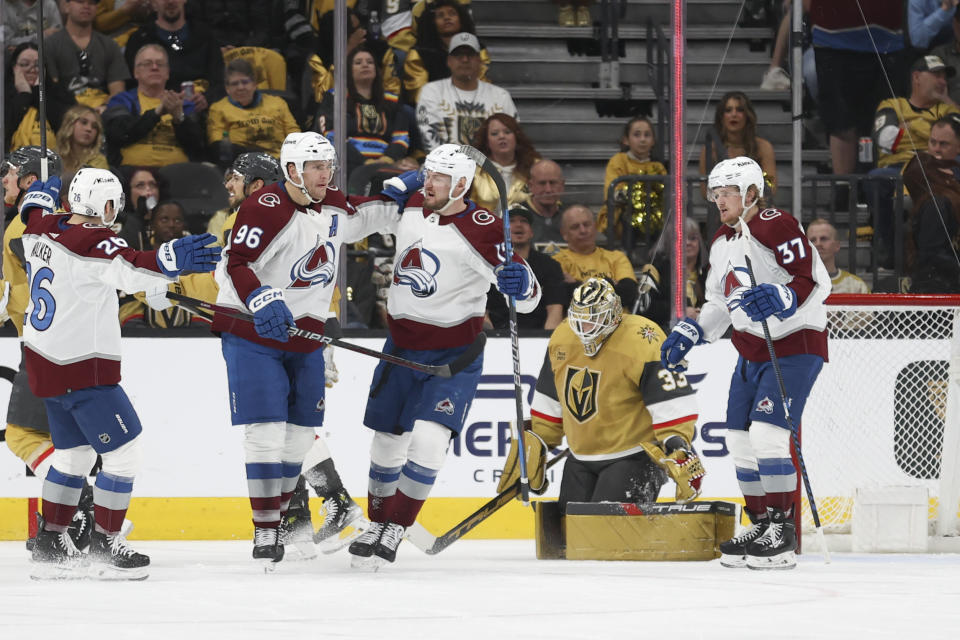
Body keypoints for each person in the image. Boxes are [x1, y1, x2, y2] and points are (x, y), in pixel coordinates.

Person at [346, 143, 542, 569]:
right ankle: (376, 522)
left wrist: (519, 284)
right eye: (426, 173)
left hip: (453, 355)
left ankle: (396, 527)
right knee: (385, 442)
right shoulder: (410, 205)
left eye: (436, 176)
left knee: (430, 441)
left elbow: (527, 298)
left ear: (460, 185)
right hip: (400, 347)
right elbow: (348, 224)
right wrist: (393, 189)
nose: (426, 182)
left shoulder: (484, 227)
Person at [22, 167, 221, 580]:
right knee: (124, 452)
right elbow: (131, 267)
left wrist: (35, 198)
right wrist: (170, 260)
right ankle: (103, 548)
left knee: (73, 455)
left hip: (44, 362)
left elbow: (32, 214)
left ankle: (49, 542)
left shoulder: (40, 229)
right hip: (83, 369)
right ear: (107, 205)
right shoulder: (94, 241)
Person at [211, 131, 396, 564]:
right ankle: (267, 529)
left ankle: (296, 519)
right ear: (292, 170)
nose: (325, 173)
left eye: (328, 165)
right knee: (264, 432)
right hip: (254, 333)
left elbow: (364, 217)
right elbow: (237, 265)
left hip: (306, 336)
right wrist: (259, 298)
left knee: (296, 439)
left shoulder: (330, 205)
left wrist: (409, 195)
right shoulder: (265, 207)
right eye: (316, 166)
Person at [661, 156, 831, 571]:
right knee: (738, 438)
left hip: (794, 346)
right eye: (715, 194)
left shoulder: (776, 224)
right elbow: (720, 301)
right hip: (751, 350)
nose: (719, 201)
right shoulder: (721, 242)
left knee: (769, 436)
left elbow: (814, 280)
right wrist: (695, 331)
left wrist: (783, 297)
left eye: (727, 193)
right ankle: (760, 522)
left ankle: (782, 531)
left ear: (751, 193)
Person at [498, 277, 702, 512]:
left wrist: (677, 443)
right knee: (568, 538)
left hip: (633, 456)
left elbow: (669, 398)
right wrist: (539, 441)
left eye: (593, 320)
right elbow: (550, 396)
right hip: (580, 457)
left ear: (613, 314)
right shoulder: (563, 336)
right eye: (580, 320)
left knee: (606, 535)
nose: (585, 329)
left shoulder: (644, 337)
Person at [871, 54, 959, 265]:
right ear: (917, 77)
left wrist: (909, 127)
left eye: (944, 77)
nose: (942, 82)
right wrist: (932, 128)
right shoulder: (893, 105)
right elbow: (886, 139)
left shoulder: (948, 109)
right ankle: (890, 250)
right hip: (897, 168)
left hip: (938, 167)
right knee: (876, 179)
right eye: (936, 75)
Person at [810, 0, 909, 179]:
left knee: (883, 121)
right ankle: (843, 186)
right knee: (841, 124)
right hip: (833, 41)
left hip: (887, 43)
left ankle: (879, 187)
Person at [313, 45, 416, 191]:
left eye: (370, 62)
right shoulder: (335, 97)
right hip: (347, 166)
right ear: (349, 70)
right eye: (358, 62)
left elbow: (401, 137)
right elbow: (331, 135)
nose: (365, 65)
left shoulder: (392, 101)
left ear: (377, 69)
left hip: (388, 166)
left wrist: (387, 160)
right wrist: (364, 162)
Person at [102, 44, 204, 167]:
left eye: (160, 64)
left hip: (178, 175)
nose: (154, 67)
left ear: (167, 73)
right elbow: (118, 133)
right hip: (131, 173)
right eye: (147, 63)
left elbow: (198, 147)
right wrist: (157, 113)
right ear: (136, 72)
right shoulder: (122, 100)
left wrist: (179, 118)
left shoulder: (184, 105)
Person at [416, 32, 517, 152]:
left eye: (470, 55)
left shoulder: (501, 96)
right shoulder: (432, 92)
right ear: (449, 61)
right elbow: (430, 140)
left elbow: (514, 137)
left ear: (479, 60)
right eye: (458, 55)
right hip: (444, 167)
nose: (465, 59)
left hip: (492, 167)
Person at [902, 115, 960, 291]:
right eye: (932, 142)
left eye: (944, 144)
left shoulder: (951, 186)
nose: (936, 149)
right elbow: (931, 255)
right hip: (936, 287)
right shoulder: (922, 173)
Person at [206, 58, 301, 165]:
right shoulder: (218, 109)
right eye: (234, 84)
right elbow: (217, 144)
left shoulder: (278, 103)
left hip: (281, 162)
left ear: (254, 84)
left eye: (245, 82)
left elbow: (294, 133)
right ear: (227, 88)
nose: (240, 87)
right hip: (243, 164)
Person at [123, 0, 223, 100]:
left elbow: (219, 80)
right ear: (153, 3)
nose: (170, 1)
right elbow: (131, 83)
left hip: (201, 107)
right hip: (155, 107)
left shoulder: (204, 35)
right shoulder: (139, 40)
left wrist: (206, 98)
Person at [486, 207, 565, 331]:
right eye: (511, 221)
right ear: (501, 231)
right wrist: (491, 339)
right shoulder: (488, 263)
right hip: (497, 335)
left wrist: (547, 342)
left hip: (539, 336)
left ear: (531, 232)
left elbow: (555, 309)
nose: (518, 225)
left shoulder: (550, 265)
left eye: (523, 221)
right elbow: (482, 313)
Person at [44, 0, 130, 110]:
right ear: (66, 6)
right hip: (65, 111)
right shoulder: (50, 45)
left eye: (92, 3)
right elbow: (52, 92)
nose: (86, 6)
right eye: (80, 1)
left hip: (104, 111)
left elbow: (118, 91)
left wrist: (104, 108)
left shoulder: (110, 45)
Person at [551, 204, 638, 311]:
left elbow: (628, 294)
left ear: (595, 226)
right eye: (575, 227)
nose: (583, 230)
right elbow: (562, 297)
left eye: (587, 224)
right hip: (576, 324)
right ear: (564, 233)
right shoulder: (556, 261)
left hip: (619, 323)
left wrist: (577, 284)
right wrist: (610, 285)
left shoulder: (617, 257)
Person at [401, 0, 490, 104]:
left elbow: (482, 85)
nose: (447, 18)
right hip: (433, 111)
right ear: (432, 22)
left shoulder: (476, 49)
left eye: (452, 13)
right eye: (440, 15)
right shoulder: (419, 54)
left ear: (461, 19)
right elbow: (420, 96)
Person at [599, 116, 667, 242]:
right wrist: (638, 194)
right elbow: (612, 194)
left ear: (653, 141)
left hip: (653, 216)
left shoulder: (657, 167)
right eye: (637, 135)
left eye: (647, 135)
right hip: (623, 216)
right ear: (626, 140)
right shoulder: (618, 160)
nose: (642, 139)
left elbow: (666, 194)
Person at [699, 91, 777, 200]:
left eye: (740, 110)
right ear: (721, 117)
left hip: (756, 208)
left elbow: (771, 188)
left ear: (747, 115)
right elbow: (705, 192)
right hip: (722, 210)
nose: (734, 114)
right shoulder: (710, 149)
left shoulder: (763, 147)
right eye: (728, 110)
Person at [637, 217, 709, 330]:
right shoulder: (655, 269)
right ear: (670, 243)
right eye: (681, 238)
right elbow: (644, 307)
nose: (688, 243)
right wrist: (680, 311)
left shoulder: (708, 272)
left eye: (693, 238)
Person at [5, 43, 77, 152]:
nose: (32, 69)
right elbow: (5, 130)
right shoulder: (3, 96)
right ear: (14, 68)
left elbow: (67, 130)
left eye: (38, 65)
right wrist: (24, 95)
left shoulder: (61, 95)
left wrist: (38, 91)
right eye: (25, 64)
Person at [470, 113, 539, 213]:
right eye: (494, 133)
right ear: (486, 141)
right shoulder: (473, 169)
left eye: (507, 132)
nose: (501, 136)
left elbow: (550, 201)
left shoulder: (536, 167)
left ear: (517, 136)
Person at [511, 158, 567, 249]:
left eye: (553, 183)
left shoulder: (571, 218)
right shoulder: (513, 217)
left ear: (562, 185)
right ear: (530, 186)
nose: (548, 190)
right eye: (542, 183)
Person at [805, 218, 871, 294]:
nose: (818, 244)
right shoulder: (796, 285)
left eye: (824, 239)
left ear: (837, 245)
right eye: (812, 240)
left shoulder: (856, 286)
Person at [55, 104, 109, 186]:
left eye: (94, 127)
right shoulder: (52, 156)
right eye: (84, 122)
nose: (89, 129)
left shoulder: (99, 161)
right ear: (70, 124)